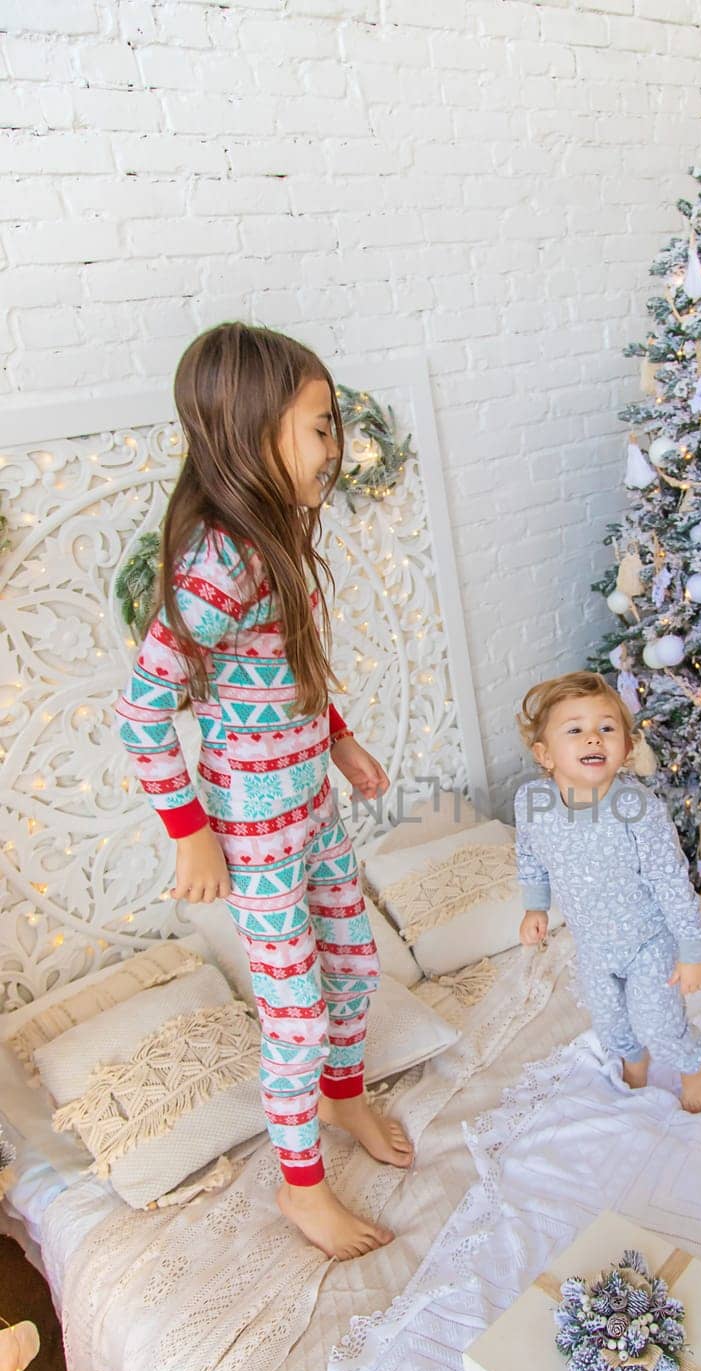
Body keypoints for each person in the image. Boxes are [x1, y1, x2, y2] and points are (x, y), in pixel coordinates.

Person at [116, 322, 412, 1259]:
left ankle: (343, 1092)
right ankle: (300, 1189)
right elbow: (140, 712)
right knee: (299, 1011)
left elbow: (284, 672)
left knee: (357, 965)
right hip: (251, 826)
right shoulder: (217, 566)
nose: (335, 448)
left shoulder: (271, 539)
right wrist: (189, 831)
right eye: (320, 428)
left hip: (309, 806)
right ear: (253, 431)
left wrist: (342, 742)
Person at [514, 671, 701, 1112]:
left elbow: (670, 879)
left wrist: (693, 947)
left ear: (625, 748)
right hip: (592, 941)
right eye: (576, 730)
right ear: (544, 754)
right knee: (609, 1022)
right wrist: (536, 906)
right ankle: (633, 1059)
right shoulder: (532, 803)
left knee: (657, 1020)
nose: (593, 739)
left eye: (607, 728)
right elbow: (530, 853)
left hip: (649, 939)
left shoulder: (637, 808)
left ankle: (694, 1061)